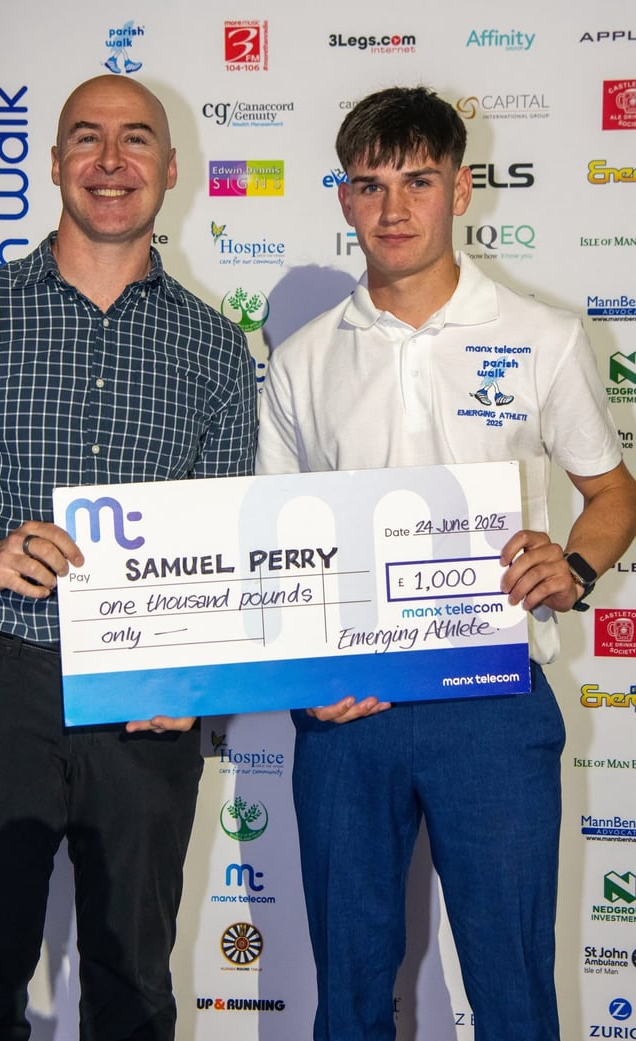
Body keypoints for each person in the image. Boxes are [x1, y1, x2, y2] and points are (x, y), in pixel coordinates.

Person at [256, 86, 636, 1041]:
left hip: (493, 703)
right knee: (347, 994)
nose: (393, 209)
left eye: (418, 181)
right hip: (348, 712)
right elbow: (274, 545)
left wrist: (577, 569)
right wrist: (307, 678)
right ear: (342, 198)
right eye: (370, 184)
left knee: (512, 989)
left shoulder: (542, 334)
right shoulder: (299, 360)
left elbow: (614, 494)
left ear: (463, 188)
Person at [0, 75, 256, 1041]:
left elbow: (224, 544)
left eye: (135, 141)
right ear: (53, 164)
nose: (110, 161)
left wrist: (202, 677)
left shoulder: (216, 350)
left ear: (171, 171)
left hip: (148, 689)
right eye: (86, 139)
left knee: (135, 985)